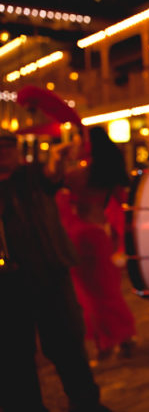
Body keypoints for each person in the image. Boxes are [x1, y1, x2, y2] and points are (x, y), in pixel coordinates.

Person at [0, 129, 112, 412]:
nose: (5, 154)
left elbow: (50, 175)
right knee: (15, 352)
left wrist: (57, 161)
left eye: (9, 147)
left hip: (49, 270)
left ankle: (86, 403)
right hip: (8, 282)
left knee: (67, 342)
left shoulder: (30, 176)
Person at [56, 127, 137, 361]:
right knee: (108, 292)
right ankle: (122, 336)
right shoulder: (107, 173)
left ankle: (107, 342)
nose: (73, 145)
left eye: (76, 140)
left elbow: (51, 188)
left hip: (81, 237)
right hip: (102, 235)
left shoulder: (76, 176)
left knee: (90, 296)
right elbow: (123, 205)